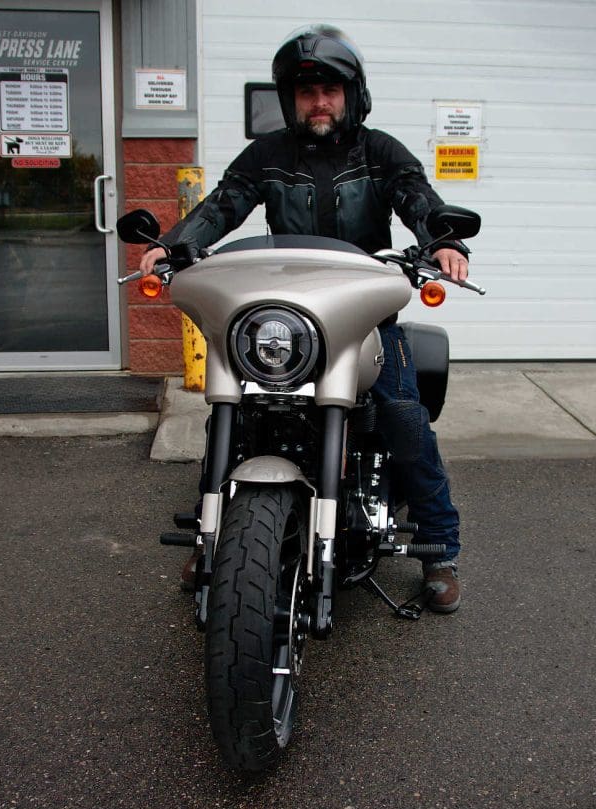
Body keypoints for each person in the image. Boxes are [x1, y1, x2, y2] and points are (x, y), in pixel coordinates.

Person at [140, 24, 468, 613]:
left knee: (399, 412)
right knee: (235, 411)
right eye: (305, 91)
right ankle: (211, 530)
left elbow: (417, 195)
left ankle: (440, 545)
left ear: (353, 94)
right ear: (290, 100)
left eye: (330, 90)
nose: (318, 102)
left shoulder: (380, 151)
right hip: (289, 312)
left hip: (364, 311)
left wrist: (442, 239)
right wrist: (174, 244)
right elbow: (222, 205)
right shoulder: (267, 154)